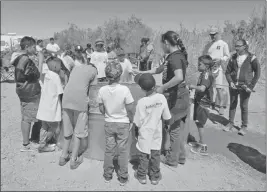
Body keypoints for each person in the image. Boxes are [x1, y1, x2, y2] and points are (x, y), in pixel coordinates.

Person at [134, 31, 190, 167]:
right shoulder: (172, 56)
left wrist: (163, 87)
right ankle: (180, 156)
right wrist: (141, 72)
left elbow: (179, 77)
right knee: (177, 127)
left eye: (162, 44)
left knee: (174, 130)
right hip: (177, 96)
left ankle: (172, 160)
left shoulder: (175, 57)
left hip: (177, 97)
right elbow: (158, 70)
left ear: (166, 43)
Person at [97, 61, 134, 186]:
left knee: (109, 149)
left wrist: (109, 114)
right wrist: (131, 120)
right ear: (120, 75)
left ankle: (107, 174)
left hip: (109, 122)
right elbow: (130, 109)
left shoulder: (102, 90)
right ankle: (123, 176)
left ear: (107, 76)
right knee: (122, 150)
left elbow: (101, 109)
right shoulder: (125, 90)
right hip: (123, 123)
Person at [59, 52, 98, 169]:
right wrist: (92, 106)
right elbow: (92, 93)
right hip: (80, 102)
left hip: (66, 100)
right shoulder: (93, 71)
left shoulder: (75, 68)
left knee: (67, 130)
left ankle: (63, 156)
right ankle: (73, 159)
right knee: (78, 132)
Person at [133, 73, 171, 185]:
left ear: (141, 88)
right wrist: (167, 126)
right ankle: (154, 177)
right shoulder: (161, 98)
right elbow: (167, 117)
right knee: (155, 154)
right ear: (155, 86)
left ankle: (141, 176)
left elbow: (137, 122)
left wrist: (136, 132)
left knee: (144, 155)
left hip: (145, 133)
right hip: (157, 132)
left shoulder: (141, 102)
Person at [10, 36, 42, 152]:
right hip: (30, 92)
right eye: (34, 47)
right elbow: (37, 75)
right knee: (33, 117)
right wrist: (41, 59)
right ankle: (31, 142)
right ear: (27, 47)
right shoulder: (26, 60)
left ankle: (26, 142)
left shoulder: (19, 58)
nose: (36, 49)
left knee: (25, 117)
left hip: (24, 91)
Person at [224, 39, 261, 136]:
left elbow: (257, 73)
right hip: (233, 85)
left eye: (239, 46)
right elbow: (227, 72)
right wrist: (230, 82)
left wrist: (251, 86)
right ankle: (230, 123)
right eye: (235, 46)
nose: (236, 48)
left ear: (244, 46)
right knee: (232, 104)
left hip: (245, 86)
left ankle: (244, 126)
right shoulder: (233, 57)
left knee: (244, 106)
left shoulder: (252, 58)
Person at [188, 55, 215, 155]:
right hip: (200, 101)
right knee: (198, 122)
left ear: (206, 66)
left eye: (200, 64)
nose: (198, 65)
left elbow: (202, 88)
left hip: (204, 103)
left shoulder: (206, 75)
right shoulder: (203, 73)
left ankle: (203, 146)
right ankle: (199, 142)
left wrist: (191, 86)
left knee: (200, 124)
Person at [36, 57, 64, 153]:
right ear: (55, 66)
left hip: (44, 106)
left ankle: (42, 142)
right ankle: (44, 144)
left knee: (44, 126)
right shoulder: (56, 77)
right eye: (60, 65)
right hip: (52, 107)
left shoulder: (45, 75)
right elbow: (60, 92)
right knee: (54, 127)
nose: (61, 67)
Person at [202, 26, 230, 115]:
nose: (212, 36)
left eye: (214, 34)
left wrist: (220, 59)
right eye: (211, 35)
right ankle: (210, 102)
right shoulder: (208, 45)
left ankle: (221, 106)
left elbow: (227, 56)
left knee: (218, 87)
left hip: (218, 68)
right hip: (208, 68)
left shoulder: (223, 44)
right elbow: (205, 55)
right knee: (209, 86)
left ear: (218, 33)